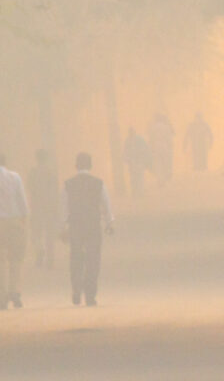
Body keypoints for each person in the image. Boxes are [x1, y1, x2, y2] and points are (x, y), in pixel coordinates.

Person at [62, 153, 114, 307]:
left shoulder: (68, 184)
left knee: (76, 257)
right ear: (90, 166)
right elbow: (106, 205)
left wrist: (63, 226)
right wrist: (109, 223)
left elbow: (64, 208)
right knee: (93, 259)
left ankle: (76, 289)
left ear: (76, 165)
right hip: (93, 225)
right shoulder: (98, 183)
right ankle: (90, 294)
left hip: (76, 226)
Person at [0, 154, 28, 309]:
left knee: (0, 261)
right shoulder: (15, 177)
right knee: (16, 259)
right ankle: (15, 292)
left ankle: (1, 295)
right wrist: (23, 221)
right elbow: (22, 200)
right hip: (14, 221)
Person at [27, 149, 58, 270]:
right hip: (49, 206)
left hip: (36, 205)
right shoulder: (51, 172)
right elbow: (55, 190)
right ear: (46, 158)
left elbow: (29, 188)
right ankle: (50, 258)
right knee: (49, 232)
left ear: (36, 158)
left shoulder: (32, 172)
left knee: (37, 232)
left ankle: (39, 251)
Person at [124, 128, 152, 197]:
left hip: (136, 161)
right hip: (135, 161)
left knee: (136, 177)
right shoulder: (135, 140)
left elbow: (125, 152)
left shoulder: (130, 140)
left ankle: (137, 192)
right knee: (136, 177)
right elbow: (146, 148)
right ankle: (137, 192)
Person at [148, 112, 175, 184]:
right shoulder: (166, 127)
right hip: (165, 145)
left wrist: (151, 147)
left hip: (155, 146)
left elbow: (151, 138)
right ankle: (166, 176)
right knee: (165, 162)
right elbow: (169, 138)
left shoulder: (152, 127)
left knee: (158, 163)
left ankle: (160, 179)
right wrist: (170, 146)